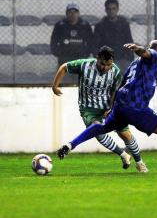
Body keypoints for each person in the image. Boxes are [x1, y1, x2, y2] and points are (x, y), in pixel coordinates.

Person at [57, 40, 157, 177]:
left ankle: (70, 145)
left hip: (120, 104)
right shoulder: (153, 56)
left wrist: (113, 107)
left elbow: (121, 85)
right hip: (136, 107)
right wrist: (138, 48)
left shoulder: (134, 63)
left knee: (102, 127)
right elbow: (146, 52)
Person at [52, 45, 148, 173]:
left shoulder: (115, 72)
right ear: (97, 58)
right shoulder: (84, 65)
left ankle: (140, 163)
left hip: (107, 107)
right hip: (88, 108)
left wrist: (111, 107)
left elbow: (117, 91)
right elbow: (64, 67)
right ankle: (123, 154)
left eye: (108, 64)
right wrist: (55, 85)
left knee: (125, 133)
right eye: (103, 64)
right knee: (97, 130)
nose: (105, 67)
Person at [93, 0, 134, 72]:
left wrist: (128, 57)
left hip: (122, 58)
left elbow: (129, 41)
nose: (111, 11)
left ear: (117, 9)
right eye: (109, 9)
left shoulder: (124, 24)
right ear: (105, 10)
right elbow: (95, 45)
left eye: (113, 9)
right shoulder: (100, 26)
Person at [50, 3, 93, 67]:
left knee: (80, 76)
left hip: (80, 58)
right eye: (70, 12)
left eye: (75, 12)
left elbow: (91, 41)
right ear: (66, 14)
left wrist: (86, 54)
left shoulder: (85, 25)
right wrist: (59, 54)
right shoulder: (60, 25)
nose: (72, 14)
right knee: (64, 76)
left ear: (78, 14)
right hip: (64, 59)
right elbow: (53, 41)